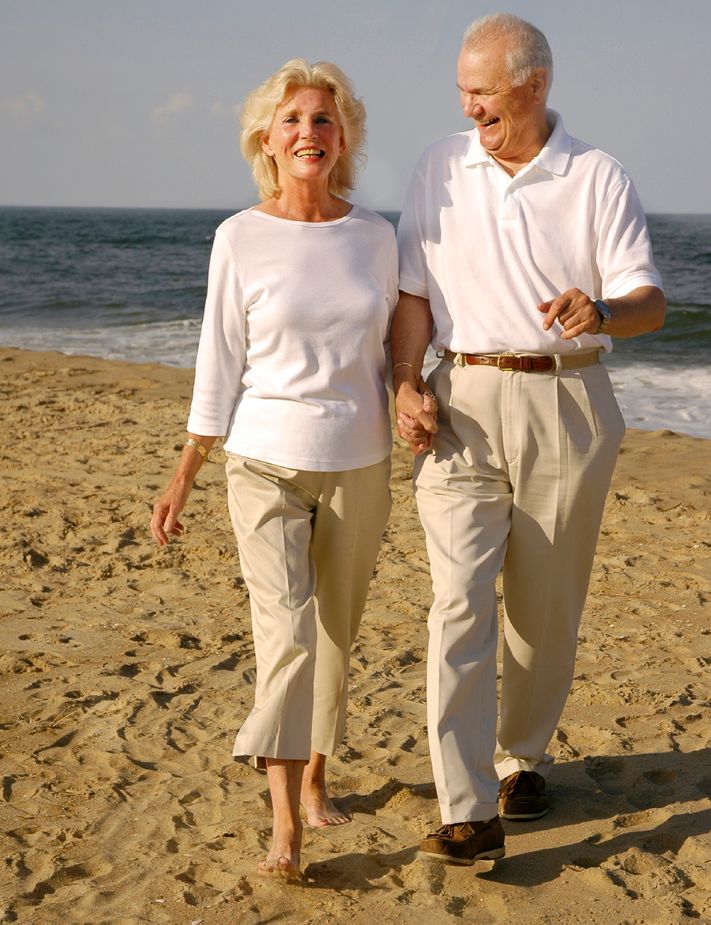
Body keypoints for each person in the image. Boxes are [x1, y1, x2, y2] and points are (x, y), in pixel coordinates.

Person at [391, 13, 666, 864]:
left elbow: (648, 302)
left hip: (568, 400)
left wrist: (603, 310)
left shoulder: (596, 175)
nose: (469, 106)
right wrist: (405, 381)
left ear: (533, 86)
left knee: (543, 609)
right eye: (463, 92)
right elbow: (412, 297)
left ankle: (520, 757)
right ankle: (467, 808)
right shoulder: (438, 166)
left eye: (483, 92)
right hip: (462, 399)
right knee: (458, 600)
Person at [150, 59, 397, 879]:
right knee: (286, 634)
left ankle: (317, 772)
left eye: (323, 120)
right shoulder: (239, 236)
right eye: (292, 120)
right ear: (267, 136)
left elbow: (399, 349)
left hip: (359, 462)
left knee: (334, 638)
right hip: (261, 463)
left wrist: (420, 395)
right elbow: (218, 360)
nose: (308, 134)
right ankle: (284, 826)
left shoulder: (376, 236)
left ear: (343, 136)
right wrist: (187, 468)